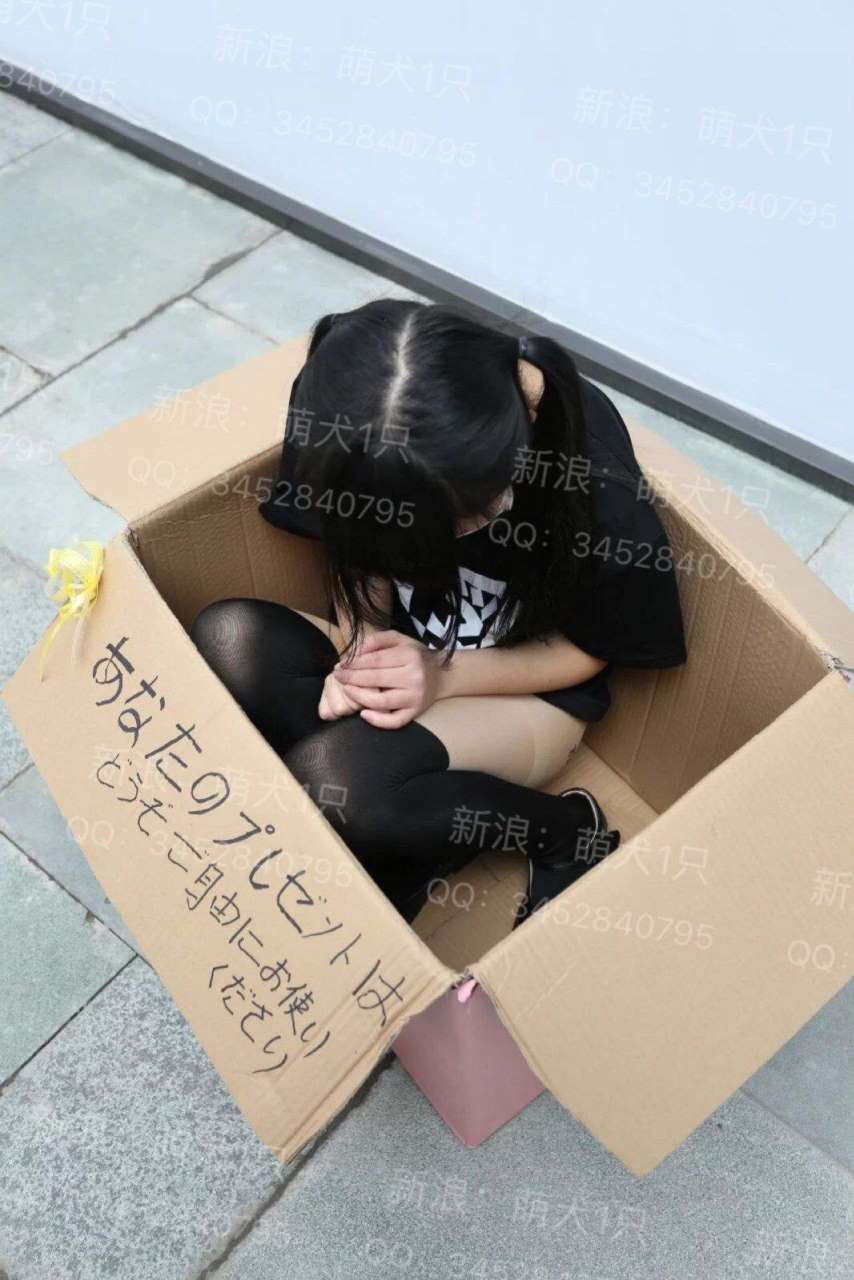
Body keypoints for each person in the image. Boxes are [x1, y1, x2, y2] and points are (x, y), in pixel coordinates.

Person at [189, 300, 687, 927]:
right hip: (408, 645)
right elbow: (359, 552)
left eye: (448, 524)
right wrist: (364, 647)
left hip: (522, 688)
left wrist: (443, 675)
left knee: (337, 782)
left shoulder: (599, 494)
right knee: (227, 637)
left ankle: (566, 832)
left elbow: (589, 651)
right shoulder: (346, 411)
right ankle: (409, 819)